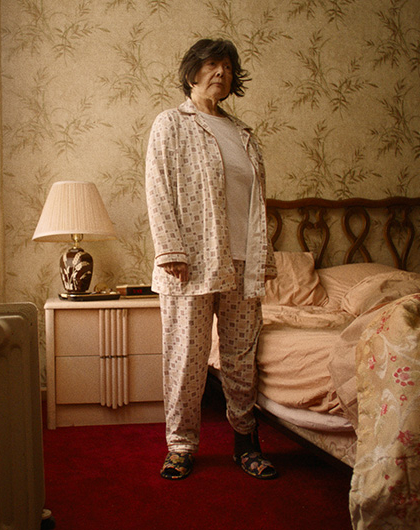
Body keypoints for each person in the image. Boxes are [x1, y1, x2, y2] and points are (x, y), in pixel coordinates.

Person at [145, 38, 278, 480]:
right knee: (186, 356)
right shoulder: (171, 123)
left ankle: (246, 443)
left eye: (228, 66)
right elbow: (158, 188)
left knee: (241, 357)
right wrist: (171, 250)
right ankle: (181, 445)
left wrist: (262, 259)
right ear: (192, 72)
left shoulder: (244, 134)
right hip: (192, 261)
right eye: (212, 64)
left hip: (242, 261)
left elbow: (257, 205)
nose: (221, 72)